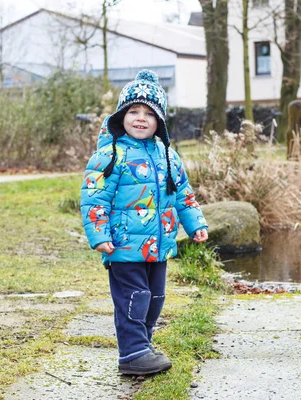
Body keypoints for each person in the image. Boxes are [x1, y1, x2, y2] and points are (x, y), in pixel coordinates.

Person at [81, 69, 208, 375]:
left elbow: (183, 196)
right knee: (134, 298)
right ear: (122, 115)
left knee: (155, 298)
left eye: (149, 113)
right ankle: (132, 353)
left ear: (160, 121)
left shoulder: (168, 156)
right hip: (123, 245)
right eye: (133, 111)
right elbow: (94, 198)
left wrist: (195, 223)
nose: (140, 118)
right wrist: (99, 235)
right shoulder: (110, 155)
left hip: (159, 244)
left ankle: (144, 343)